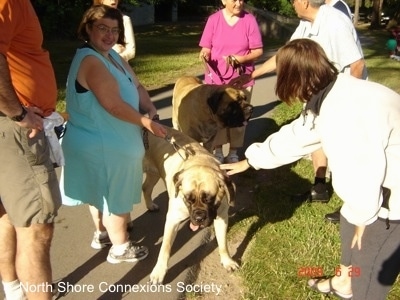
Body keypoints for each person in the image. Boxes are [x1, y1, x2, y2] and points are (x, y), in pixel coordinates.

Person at [222, 38, 400, 300]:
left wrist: (365, 218)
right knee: (350, 223)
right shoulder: (333, 91)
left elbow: (362, 170)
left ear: (294, 79)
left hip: (392, 201)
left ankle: (360, 289)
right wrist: (250, 160)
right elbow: (298, 135)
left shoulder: (342, 112)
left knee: (368, 270)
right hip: (380, 187)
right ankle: (343, 282)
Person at [232, 0, 367, 205]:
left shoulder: (335, 22)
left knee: (343, 150)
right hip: (320, 90)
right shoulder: (307, 23)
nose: (292, 4)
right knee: (312, 133)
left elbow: (357, 64)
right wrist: (253, 74)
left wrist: (346, 101)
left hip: (343, 96)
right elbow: (286, 54)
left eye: (293, 0)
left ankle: (358, 204)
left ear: (304, 1)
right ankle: (321, 187)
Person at [60, 5, 166, 263]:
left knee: (100, 191)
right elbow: (113, 105)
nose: (109, 35)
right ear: (88, 29)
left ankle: (102, 233)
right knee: (114, 196)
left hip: (107, 142)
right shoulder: (92, 60)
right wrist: (146, 122)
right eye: (103, 29)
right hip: (102, 144)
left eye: (114, 30)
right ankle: (121, 247)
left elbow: (136, 85)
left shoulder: (112, 56)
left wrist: (150, 106)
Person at [0, 0, 62, 299]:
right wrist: (18, 113)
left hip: (10, 126)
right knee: (36, 226)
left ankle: (14, 291)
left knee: (8, 215)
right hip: (15, 130)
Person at [199, 0, 263, 163]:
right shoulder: (214, 20)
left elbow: (258, 51)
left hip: (241, 79)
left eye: (241, 0)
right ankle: (218, 150)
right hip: (216, 79)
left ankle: (233, 152)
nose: (239, 3)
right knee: (217, 115)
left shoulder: (249, 20)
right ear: (223, 1)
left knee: (239, 116)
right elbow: (206, 46)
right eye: (234, 0)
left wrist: (241, 59)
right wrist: (205, 53)